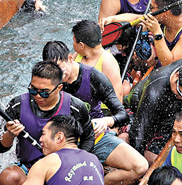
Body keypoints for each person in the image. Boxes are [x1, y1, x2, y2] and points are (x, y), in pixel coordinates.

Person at [42, 42, 146, 185]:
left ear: (70, 58)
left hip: (96, 136)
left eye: (60, 67)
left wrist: (106, 121)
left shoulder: (93, 77)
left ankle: (99, 180)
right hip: (65, 143)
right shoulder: (46, 83)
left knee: (140, 167)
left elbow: (123, 115)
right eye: (52, 70)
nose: (58, 74)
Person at [0, 61, 95, 185]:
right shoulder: (17, 105)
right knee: (9, 177)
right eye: (33, 90)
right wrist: (10, 134)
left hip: (62, 167)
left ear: (59, 88)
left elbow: (88, 138)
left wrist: (78, 164)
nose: (38, 96)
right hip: (28, 167)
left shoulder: (76, 107)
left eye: (44, 92)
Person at [0, 115, 104, 185]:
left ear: (59, 137)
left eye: (43, 134)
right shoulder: (95, 160)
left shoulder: (47, 162)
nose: (40, 139)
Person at [71, 19, 124, 99]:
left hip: (101, 110)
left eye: (74, 41)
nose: (73, 44)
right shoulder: (77, 55)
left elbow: (118, 95)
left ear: (81, 45)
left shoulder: (107, 62)